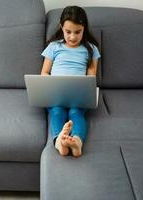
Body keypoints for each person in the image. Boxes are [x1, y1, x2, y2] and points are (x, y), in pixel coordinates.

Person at [41, 6, 101, 157]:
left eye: (77, 32)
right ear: (62, 28)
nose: (73, 37)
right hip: (56, 94)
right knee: (56, 112)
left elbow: (91, 77)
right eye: (68, 32)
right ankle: (59, 141)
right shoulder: (54, 46)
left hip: (78, 96)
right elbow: (45, 72)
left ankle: (77, 142)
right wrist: (49, 86)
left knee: (76, 113)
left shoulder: (91, 49)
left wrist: (86, 90)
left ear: (84, 29)